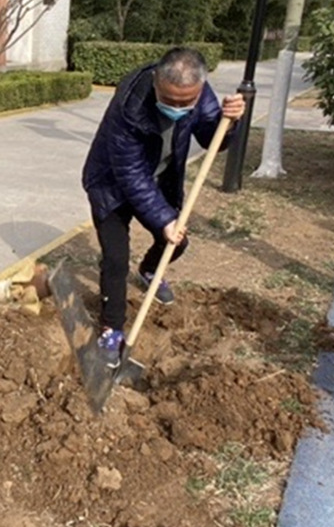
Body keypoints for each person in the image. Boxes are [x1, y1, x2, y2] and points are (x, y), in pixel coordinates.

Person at [81, 47, 246, 366]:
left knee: (176, 242)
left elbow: (213, 139)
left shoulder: (200, 93)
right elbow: (130, 173)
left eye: (186, 102)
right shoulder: (129, 105)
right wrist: (164, 219)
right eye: (169, 100)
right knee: (115, 259)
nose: (177, 107)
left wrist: (230, 122)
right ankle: (112, 328)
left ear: (200, 87)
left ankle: (149, 270)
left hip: (158, 180)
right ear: (156, 79)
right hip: (111, 185)